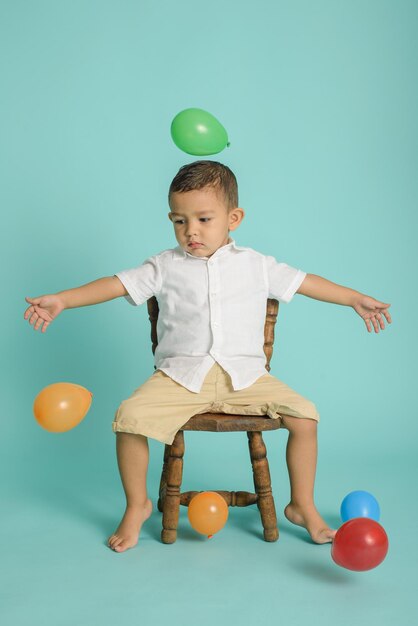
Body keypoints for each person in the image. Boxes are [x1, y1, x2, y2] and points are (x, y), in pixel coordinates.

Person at [23, 160, 392, 553]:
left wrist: (354, 298)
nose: (191, 231)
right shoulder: (164, 266)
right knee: (129, 419)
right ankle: (138, 505)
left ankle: (301, 505)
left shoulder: (256, 264)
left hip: (246, 378)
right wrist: (63, 299)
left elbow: (306, 283)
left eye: (203, 219)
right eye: (180, 221)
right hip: (180, 378)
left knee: (306, 416)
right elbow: (115, 285)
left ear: (233, 218)